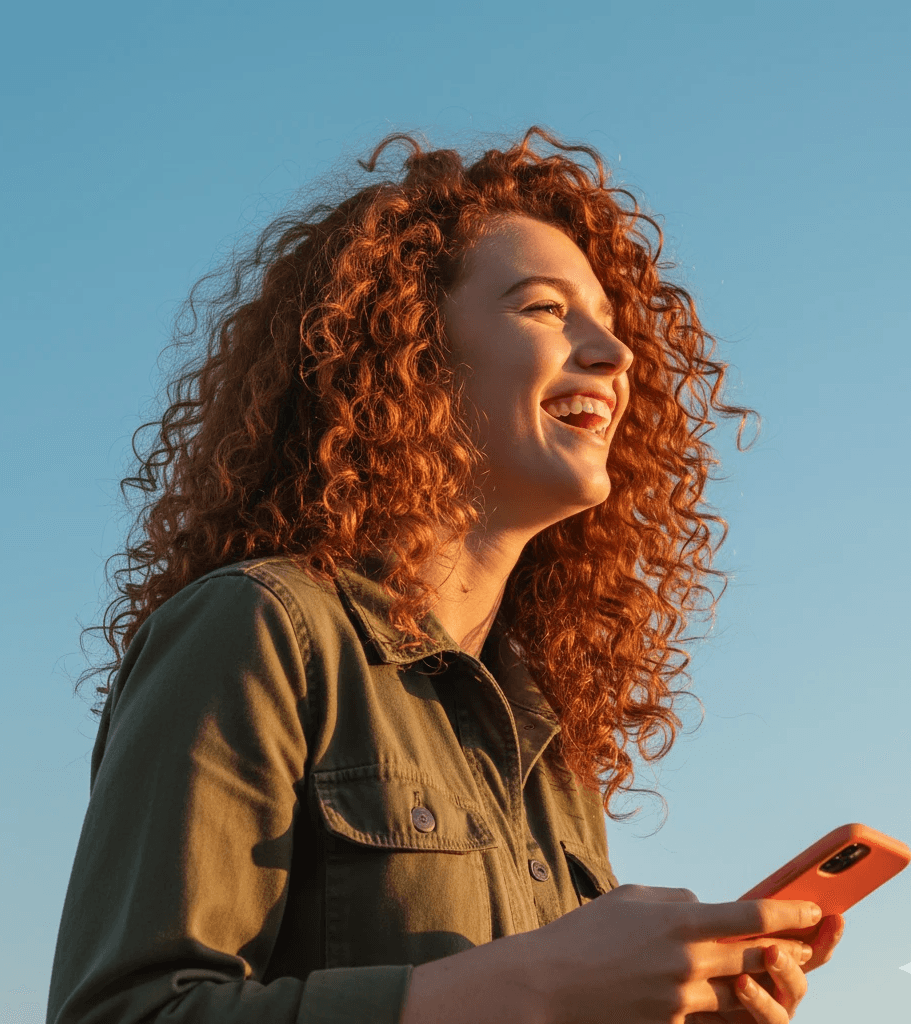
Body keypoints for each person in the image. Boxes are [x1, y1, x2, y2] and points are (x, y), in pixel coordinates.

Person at [48, 127, 844, 1024]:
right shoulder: (259, 628)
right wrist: (534, 986)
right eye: (545, 309)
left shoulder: (550, 744)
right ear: (408, 349)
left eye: (612, 327)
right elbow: (124, 1012)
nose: (615, 357)